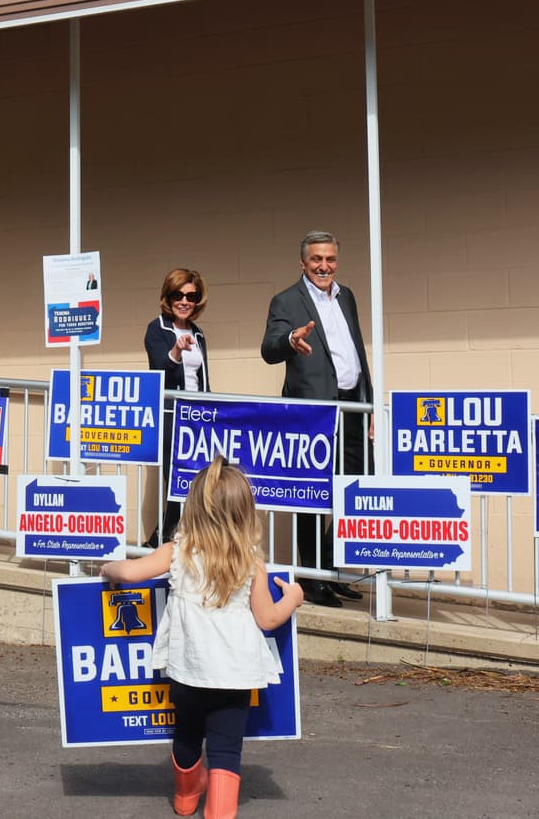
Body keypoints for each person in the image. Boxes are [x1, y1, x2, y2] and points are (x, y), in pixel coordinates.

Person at [101, 456, 303, 818]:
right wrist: (293, 597)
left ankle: (185, 798)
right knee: (226, 750)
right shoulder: (250, 562)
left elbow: (129, 572)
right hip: (235, 677)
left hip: (187, 674)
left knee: (187, 736)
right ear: (245, 512)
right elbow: (268, 619)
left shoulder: (177, 553)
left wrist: (107, 568)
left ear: (192, 508)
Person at [260, 230, 372, 607]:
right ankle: (311, 577)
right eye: (316, 260)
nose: (324, 266)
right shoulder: (286, 300)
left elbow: (356, 352)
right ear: (303, 263)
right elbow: (269, 348)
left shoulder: (347, 296)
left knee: (356, 484)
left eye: (330, 259)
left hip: (353, 406)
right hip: (312, 411)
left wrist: (368, 402)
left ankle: (330, 566)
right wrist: (290, 338)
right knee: (311, 494)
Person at [144, 269, 211, 545]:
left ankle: (164, 542)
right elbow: (160, 368)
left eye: (191, 296)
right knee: (177, 485)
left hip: (198, 418)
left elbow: (202, 378)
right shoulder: (156, 329)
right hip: (172, 418)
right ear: (167, 297)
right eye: (177, 295)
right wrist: (176, 351)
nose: (184, 301)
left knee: (196, 485)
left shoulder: (198, 332)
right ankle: (162, 543)